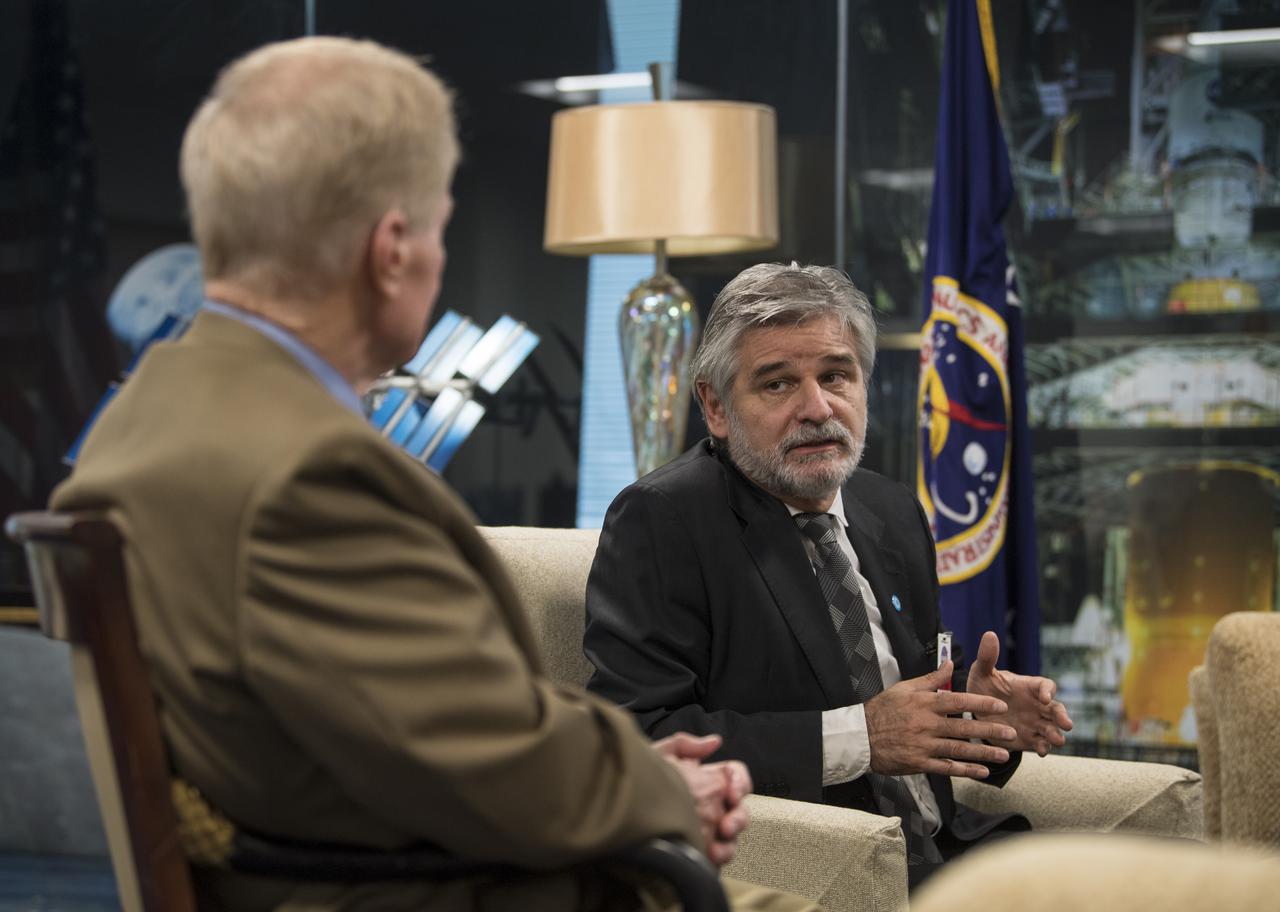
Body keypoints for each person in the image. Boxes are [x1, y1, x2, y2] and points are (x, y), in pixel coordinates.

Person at [52, 38, 815, 912]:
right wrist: (660, 795)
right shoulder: (310, 475)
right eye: (441, 229)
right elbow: (499, 767)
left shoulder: (142, 421)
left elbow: (424, 722)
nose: (440, 258)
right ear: (391, 251)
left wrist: (627, 767)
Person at [584, 262, 1073, 887]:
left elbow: (915, 723)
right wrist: (861, 737)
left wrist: (981, 719)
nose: (817, 408)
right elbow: (638, 740)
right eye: (778, 384)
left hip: (948, 854)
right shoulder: (663, 520)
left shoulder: (890, 510)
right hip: (819, 868)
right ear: (715, 406)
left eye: (836, 375)